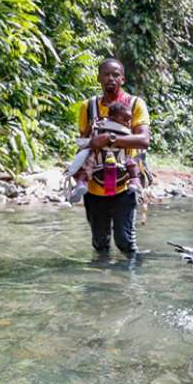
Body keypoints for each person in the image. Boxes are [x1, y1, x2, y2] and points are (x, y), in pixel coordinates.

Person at [78, 58, 150, 256]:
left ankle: (129, 282)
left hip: (124, 183)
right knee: (99, 243)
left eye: (116, 74)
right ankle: (100, 283)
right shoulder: (88, 106)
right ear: (99, 78)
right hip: (94, 185)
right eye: (106, 74)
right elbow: (83, 141)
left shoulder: (135, 104)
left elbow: (144, 140)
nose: (111, 78)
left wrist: (108, 138)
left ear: (123, 79)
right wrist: (78, 171)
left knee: (125, 241)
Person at [66, 101, 142, 204]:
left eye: (129, 120)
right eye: (125, 119)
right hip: (120, 171)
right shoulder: (126, 132)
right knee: (130, 161)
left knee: (88, 161)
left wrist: (90, 127)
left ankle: (81, 182)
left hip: (98, 170)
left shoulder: (98, 126)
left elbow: (83, 140)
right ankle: (134, 179)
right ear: (113, 117)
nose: (128, 123)